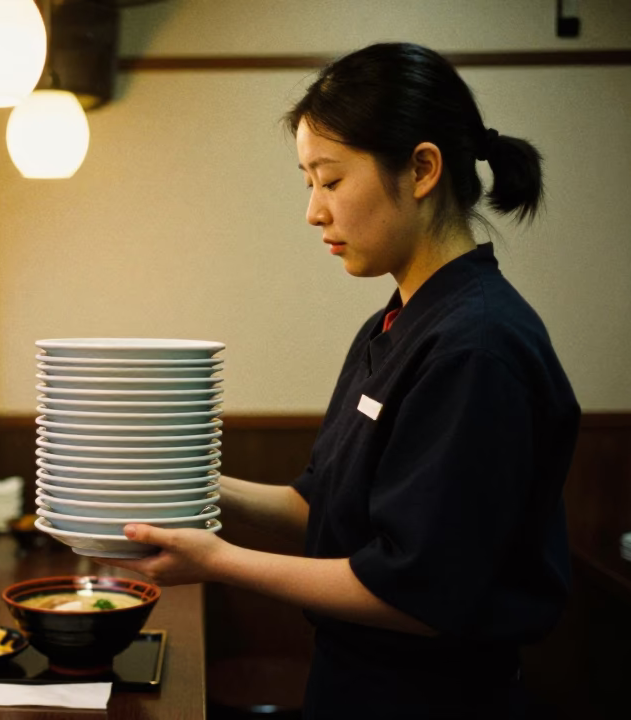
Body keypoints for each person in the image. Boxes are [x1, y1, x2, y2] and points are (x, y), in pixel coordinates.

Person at [98, 42, 581, 719]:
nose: (314, 211)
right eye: (307, 183)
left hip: (433, 699)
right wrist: (188, 485)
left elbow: (413, 594)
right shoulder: (396, 324)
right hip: (353, 682)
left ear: (421, 169)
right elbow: (320, 503)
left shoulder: (477, 348)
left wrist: (216, 560)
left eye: (329, 180)